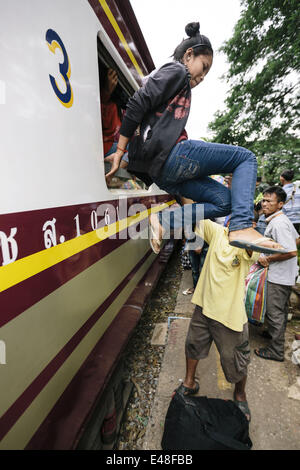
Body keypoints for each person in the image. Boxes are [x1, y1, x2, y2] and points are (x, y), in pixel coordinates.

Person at [105, 22, 284, 255]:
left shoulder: (173, 84)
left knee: (225, 202)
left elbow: (148, 130)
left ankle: (165, 220)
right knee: (245, 158)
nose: (203, 76)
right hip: (174, 156)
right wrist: (120, 150)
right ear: (189, 55)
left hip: (163, 174)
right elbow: (137, 103)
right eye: (204, 66)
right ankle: (241, 227)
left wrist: (128, 155)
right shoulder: (177, 70)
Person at [176, 218, 260, 421]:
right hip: (204, 307)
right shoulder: (218, 233)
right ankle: (189, 383)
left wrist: (249, 232)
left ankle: (240, 394)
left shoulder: (250, 246)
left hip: (230, 316)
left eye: (246, 223)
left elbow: (252, 246)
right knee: (193, 345)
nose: (237, 225)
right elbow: (194, 210)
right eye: (235, 220)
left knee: (236, 360)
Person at [254, 186, 299, 362]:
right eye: (263, 200)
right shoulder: (279, 219)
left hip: (279, 276)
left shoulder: (279, 223)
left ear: (280, 204)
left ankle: (276, 351)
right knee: (277, 310)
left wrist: (268, 259)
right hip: (284, 274)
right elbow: (296, 239)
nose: (264, 204)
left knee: (275, 312)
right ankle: (273, 334)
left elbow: (292, 251)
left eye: (269, 201)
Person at [280, 170, 300, 234]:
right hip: (298, 221)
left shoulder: (281, 192)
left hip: (286, 221)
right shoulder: (298, 190)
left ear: (282, 178)